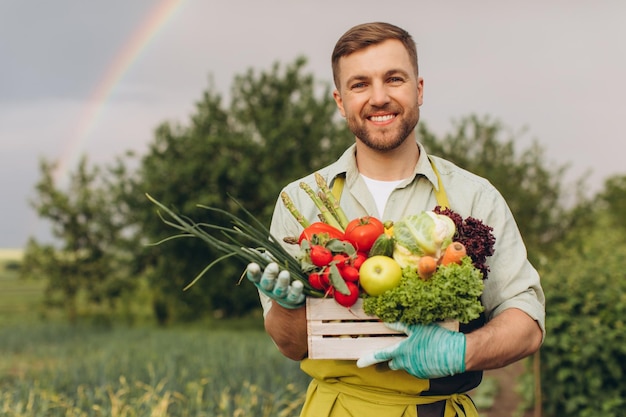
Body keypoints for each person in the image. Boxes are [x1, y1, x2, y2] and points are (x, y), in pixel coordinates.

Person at [256, 22, 545, 417]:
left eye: (394, 79)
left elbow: (526, 322)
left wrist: (463, 350)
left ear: (419, 89)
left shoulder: (474, 196)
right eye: (360, 85)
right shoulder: (300, 200)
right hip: (336, 409)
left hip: (438, 409)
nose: (379, 98)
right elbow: (291, 346)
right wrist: (287, 307)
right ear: (340, 102)